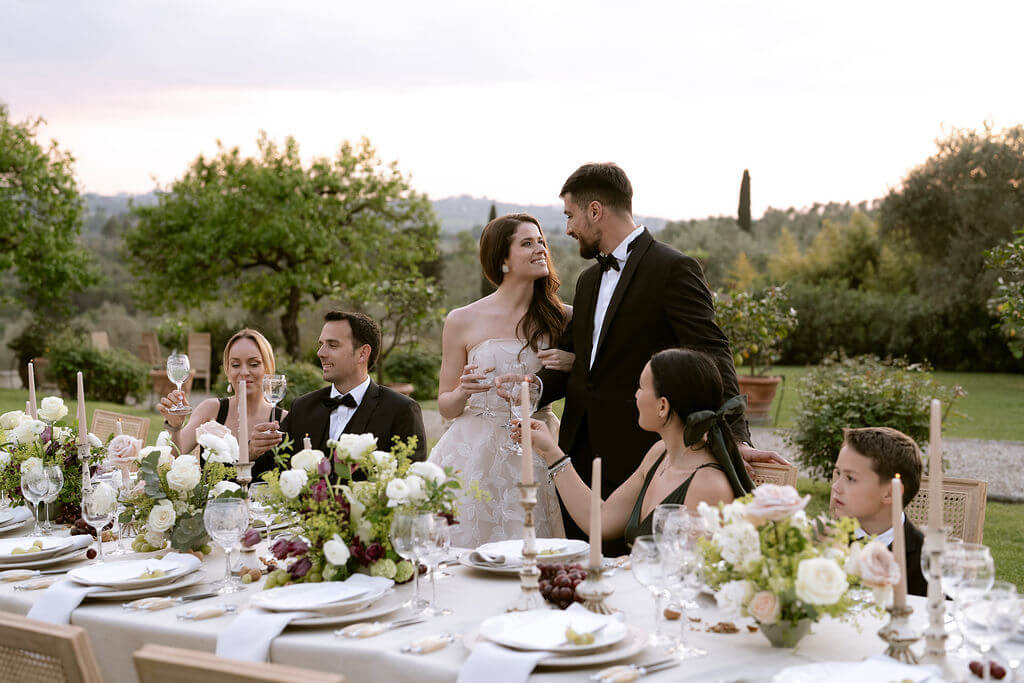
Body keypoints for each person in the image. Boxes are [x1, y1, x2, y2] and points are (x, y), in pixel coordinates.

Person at [537, 162, 782, 554]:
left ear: (595, 210)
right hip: (579, 451)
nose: (567, 229)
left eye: (570, 215)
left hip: (638, 452)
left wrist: (735, 435)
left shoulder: (672, 269)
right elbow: (573, 358)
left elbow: (712, 351)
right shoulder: (587, 281)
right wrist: (528, 391)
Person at [428, 213, 575, 547]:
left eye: (542, 242)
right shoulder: (461, 320)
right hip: (473, 453)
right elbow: (446, 407)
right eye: (527, 243)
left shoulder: (564, 318)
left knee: (536, 551)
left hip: (537, 448)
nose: (540, 249)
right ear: (502, 259)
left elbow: (589, 379)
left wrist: (573, 363)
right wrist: (463, 391)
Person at [518, 348, 753, 547]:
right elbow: (600, 521)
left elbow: (690, 576)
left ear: (663, 406)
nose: (636, 395)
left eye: (641, 387)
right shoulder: (659, 454)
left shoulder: (707, 485)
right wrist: (550, 452)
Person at [250, 311, 426, 480]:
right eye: (321, 344)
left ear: (363, 353)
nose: (320, 353)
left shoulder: (401, 410)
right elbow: (270, 472)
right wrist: (254, 450)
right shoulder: (302, 407)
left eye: (332, 345)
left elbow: (412, 484)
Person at [830, 426, 927, 597]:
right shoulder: (823, 541)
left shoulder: (927, 560)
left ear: (890, 493)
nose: (835, 487)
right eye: (838, 473)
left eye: (850, 478)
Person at [158, 328, 285, 456]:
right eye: (235, 365)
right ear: (228, 371)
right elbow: (171, 461)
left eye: (254, 364)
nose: (244, 372)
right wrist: (175, 428)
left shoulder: (284, 420)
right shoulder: (210, 410)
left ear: (268, 368)